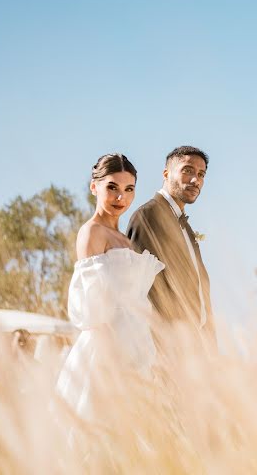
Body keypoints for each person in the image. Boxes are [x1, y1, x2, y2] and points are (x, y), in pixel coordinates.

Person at [55, 153, 164, 420]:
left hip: (137, 345)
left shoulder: (125, 241)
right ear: (94, 187)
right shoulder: (92, 232)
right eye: (112, 188)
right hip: (106, 352)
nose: (121, 198)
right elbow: (92, 310)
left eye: (129, 190)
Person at [127, 146, 216, 351]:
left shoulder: (185, 226)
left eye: (201, 174)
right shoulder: (148, 216)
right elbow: (138, 290)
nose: (196, 180)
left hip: (197, 349)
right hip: (166, 348)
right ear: (166, 174)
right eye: (187, 170)